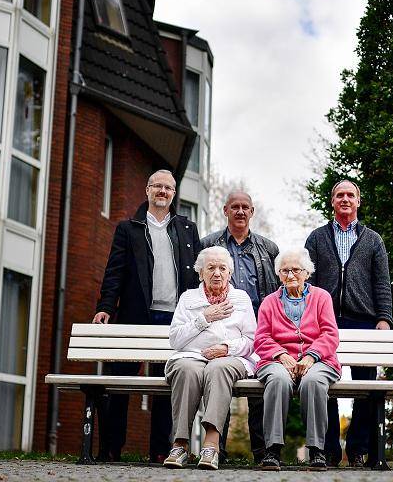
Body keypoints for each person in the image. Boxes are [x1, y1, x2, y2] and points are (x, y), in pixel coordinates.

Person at [92, 169, 202, 462]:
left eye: (168, 187)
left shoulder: (187, 230)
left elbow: (197, 278)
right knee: (120, 382)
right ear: (147, 190)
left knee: (167, 386)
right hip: (134, 315)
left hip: (174, 320)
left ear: (174, 193)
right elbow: (114, 272)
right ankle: (111, 448)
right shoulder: (128, 229)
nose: (162, 191)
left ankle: (159, 450)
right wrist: (105, 307)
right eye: (157, 186)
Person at [305, 180, 393, 468]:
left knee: (366, 387)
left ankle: (358, 449)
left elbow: (382, 283)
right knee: (323, 385)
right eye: (340, 195)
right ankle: (328, 450)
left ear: (358, 202)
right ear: (332, 201)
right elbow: (309, 282)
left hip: (363, 322)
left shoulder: (373, 240)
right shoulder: (317, 238)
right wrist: (307, 320)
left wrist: (383, 319)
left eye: (350, 195)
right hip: (324, 322)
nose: (345, 199)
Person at [200, 191, 280, 462]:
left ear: (252, 212)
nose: (240, 211)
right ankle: (216, 451)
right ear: (225, 210)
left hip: (257, 329)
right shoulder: (209, 244)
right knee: (217, 384)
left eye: (245, 207)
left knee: (259, 393)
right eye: (235, 206)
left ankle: (262, 453)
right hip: (220, 327)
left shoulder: (268, 248)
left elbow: (275, 290)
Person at [163, 246, 256, 470]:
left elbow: (252, 340)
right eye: (211, 268)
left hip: (230, 358)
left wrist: (226, 347)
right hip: (191, 356)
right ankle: (180, 445)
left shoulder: (241, 298)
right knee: (186, 369)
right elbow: (175, 340)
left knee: (217, 369)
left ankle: (211, 446)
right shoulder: (188, 298)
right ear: (200, 272)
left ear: (230, 273)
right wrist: (203, 318)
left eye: (222, 268)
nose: (217, 273)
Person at [254, 247, 340, 471]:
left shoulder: (321, 297)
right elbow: (261, 338)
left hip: (319, 361)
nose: (290, 275)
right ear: (278, 274)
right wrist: (281, 355)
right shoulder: (269, 302)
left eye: (295, 270)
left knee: (313, 382)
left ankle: (317, 450)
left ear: (307, 272)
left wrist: (311, 356)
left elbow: (330, 334)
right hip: (277, 361)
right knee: (278, 380)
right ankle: (272, 450)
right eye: (284, 271)